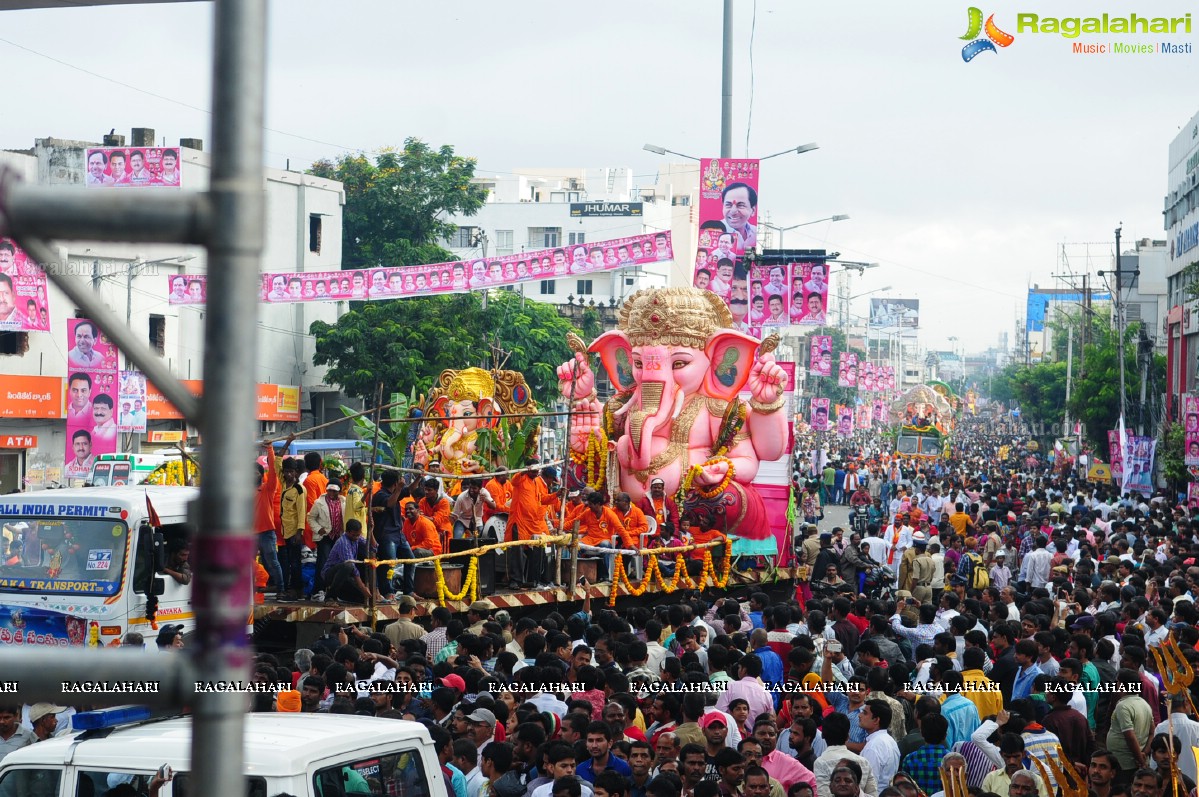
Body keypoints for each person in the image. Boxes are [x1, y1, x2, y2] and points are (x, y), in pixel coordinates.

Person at [720, 182, 758, 251]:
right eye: (728, 205)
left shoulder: (756, 233)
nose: (733, 211)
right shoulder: (714, 230)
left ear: (753, 211)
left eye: (740, 205)